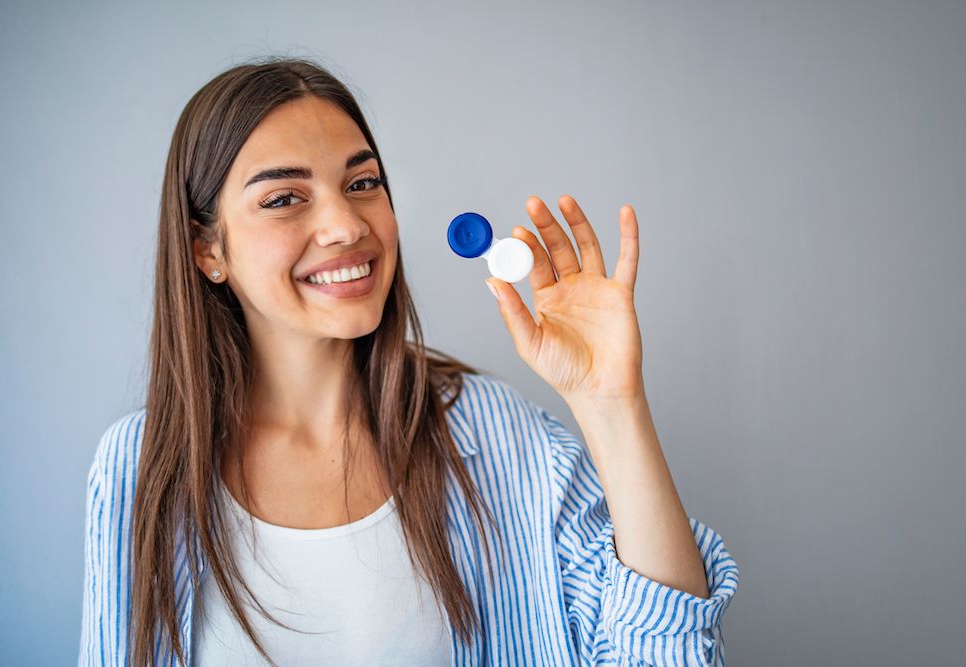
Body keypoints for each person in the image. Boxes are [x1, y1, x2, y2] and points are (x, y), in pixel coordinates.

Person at [78, 56, 739, 667]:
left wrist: (612, 403)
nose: (346, 224)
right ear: (207, 251)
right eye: (285, 198)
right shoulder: (139, 469)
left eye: (363, 182)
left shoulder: (495, 437)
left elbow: (669, 653)